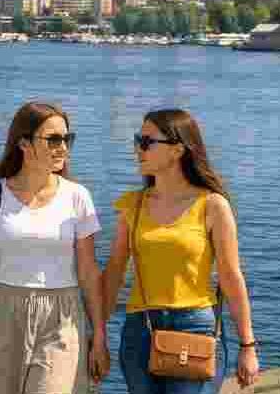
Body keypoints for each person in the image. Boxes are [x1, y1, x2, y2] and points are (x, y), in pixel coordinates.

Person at [100, 108, 259, 394]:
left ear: (177, 150)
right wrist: (97, 333)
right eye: (137, 140)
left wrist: (247, 345)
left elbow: (230, 277)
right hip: (140, 328)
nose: (138, 149)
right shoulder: (132, 205)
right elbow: (114, 272)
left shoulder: (212, 205)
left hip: (194, 326)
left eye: (147, 142)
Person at [0, 102, 107, 393]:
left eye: (67, 138)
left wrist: (99, 335)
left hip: (63, 317)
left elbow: (88, 271)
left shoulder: (77, 197)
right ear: (24, 143)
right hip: (2, 313)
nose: (63, 147)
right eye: (53, 139)